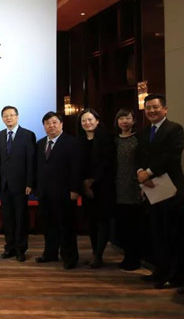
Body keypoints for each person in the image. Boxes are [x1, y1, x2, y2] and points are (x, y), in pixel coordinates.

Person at [136, 93, 184, 289]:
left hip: (171, 191)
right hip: (152, 191)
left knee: (171, 235)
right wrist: (140, 173)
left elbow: (172, 156)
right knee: (156, 234)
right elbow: (139, 157)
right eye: (148, 108)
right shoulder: (144, 133)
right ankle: (159, 271)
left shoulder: (174, 129)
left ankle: (173, 277)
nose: (151, 111)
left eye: (155, 107)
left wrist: (148, 172)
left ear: (164, 109)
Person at [35, 111, 81, 270]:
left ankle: (70, 257)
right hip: (45, 192)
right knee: (48, 225)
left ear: (61, 124)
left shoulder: (72, 142)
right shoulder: (40, 143)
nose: (51, 126)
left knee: (66, 226)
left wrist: (75, 189)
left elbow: (76, 168)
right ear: (44, 126)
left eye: (54, 122)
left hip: (65, 192)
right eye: (47, 123)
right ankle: (50, 253)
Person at [0, 106, 36, 262]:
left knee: (21, 218)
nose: (9, 118)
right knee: (7, 218)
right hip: (4, 184)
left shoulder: (27, 135)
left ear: (17, 117)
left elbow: (31, 161)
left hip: (21, 184)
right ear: (2, 118)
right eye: (5, 116)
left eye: (11, 115)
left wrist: (30, 183)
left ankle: (20, 249)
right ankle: (10, 247)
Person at [77, 108, 115, 269]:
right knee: (91, 222)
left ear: (97, 121)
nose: (87, 123)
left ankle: (99, 255)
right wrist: (84, 184)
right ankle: (94, 253)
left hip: (103, 186)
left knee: (102, 221)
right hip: (86, 189)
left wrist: (93, 181)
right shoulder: (79, 140)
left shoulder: (107, 139)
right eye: (84, 120)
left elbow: (108, 163)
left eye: (90, 119)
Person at [112, 108, 142, 271]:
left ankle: (134, 259)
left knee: (134, 226)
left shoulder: (139, 139)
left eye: (128, 118)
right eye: (121, 118)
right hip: (117, 187)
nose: (124, 121)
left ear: (133, 120)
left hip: (134, 187)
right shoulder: (114, 140)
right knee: (122, 226)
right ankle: (127, 257)